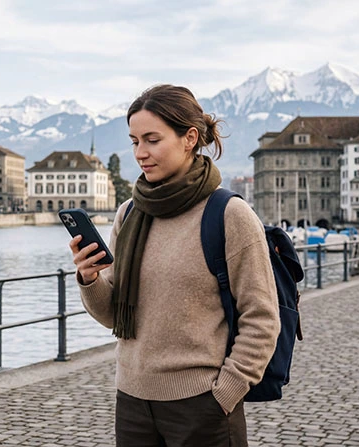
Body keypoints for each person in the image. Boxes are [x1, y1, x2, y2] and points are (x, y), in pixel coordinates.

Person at [69, 84, 279, 447]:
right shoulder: (129, 213)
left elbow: (262, 318)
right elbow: (114, 316)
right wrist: (90, 279)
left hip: (202, 407)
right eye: (134, 141)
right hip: (133, 402)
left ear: (189, 138)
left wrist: (225, 394)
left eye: (152, 139)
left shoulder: (229, 214)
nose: (140, 153)